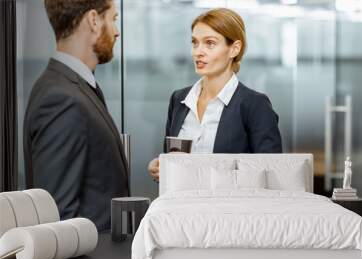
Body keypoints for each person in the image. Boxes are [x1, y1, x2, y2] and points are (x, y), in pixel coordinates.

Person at [23, 0, 128, 231]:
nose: (117, 31)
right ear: (93, 20)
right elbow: (58, 222)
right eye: (113, 19)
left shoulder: (73, 86)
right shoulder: (61, 99)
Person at [148, 8, 282, 182]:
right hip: (182, 206)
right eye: (195, 43)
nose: (198, 52)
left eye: (210, 43)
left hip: (230, 207)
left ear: (234, 49)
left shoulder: (255, 104)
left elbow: (270, 173)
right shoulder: (179, 100)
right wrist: (162, 167)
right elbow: (173, 159)